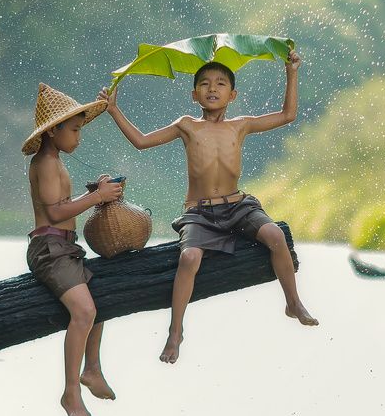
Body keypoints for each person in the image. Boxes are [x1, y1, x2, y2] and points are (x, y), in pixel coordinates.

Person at [99, 51, 318, 364]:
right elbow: (142, 141)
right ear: (194, 95)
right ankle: (176, 332)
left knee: (275, 235)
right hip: (200, 212)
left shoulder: (240, 125)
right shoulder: (187, 125)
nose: (212, 88)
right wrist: (114, 110)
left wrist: (292, 72)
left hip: (238, 205)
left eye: (220, 83)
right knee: (188, 258)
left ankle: (293, 302)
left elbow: (287, 115)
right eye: (204, 84)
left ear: (233, 94)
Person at [23, 83, 123, 416]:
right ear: (53, 130)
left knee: (102, 302)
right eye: (75, 130)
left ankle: (91, 369)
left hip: (66, 248)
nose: (79, 137)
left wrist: (95, 192)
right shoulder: (46, 163)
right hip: (50, 250)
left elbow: (65, 206)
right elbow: (53, 213)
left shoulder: (55, 161)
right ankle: (70, 391)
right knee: (84, 311)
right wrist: (97, 198)